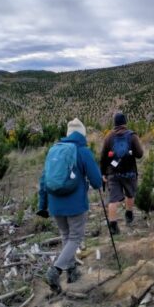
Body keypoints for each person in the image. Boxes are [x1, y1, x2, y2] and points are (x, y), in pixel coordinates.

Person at [38, 118, 102, 294]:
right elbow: (96, 179)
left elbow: (43, 180)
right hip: (75, 204)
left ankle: (72, 271)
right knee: (75, 237)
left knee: (66, 235)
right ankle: (56, 270)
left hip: (55, 204)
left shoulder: (54, 150)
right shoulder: (82, 151)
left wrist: (42, 205)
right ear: (82, 134)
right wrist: (98, 184)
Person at [100, 113, 143, 235]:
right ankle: (129, 215)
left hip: (113, 173)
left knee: (113, 199)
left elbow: (103, 157)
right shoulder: (132, 136)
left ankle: (113, 225)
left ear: (114, 123)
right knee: (130, 194)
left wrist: (103, 173)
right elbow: (140, 154)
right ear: (125, 123)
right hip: (129, 172)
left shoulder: (108, 137)